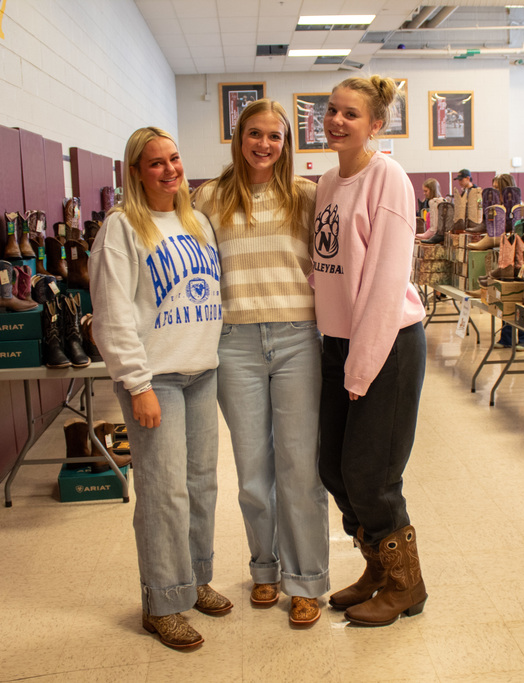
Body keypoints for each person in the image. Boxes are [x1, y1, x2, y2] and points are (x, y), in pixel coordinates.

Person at [90, 126, 230, 650]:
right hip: (157, 380)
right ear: (135, 171)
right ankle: (162, 602)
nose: (170, 170)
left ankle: (194, 581)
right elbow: (112, 315)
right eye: (156, 163)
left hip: (202, 372)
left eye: (174, 159)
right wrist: (136, 382)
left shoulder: (196, 223)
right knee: (162, 493)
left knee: (200, 486)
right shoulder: (122, 227)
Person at [192, 100, 329, 627]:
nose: (264, 144)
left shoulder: (308, 197)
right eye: (255, 134)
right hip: (235, 344)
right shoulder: (208, 198)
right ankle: (264, 568)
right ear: (238, 137)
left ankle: (307, 579)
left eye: (275, 136)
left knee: (299, 467)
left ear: (287, 143)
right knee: (253, 472)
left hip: (298, 338)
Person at [312, 74, 428, 627]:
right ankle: (377, 569)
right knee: (333, 468)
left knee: (371, 473)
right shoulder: (328, 182)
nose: (336, 121)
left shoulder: (389, 179)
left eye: (350, 114)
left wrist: (361, 366)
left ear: (376, 125)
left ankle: (407, 585)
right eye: (332, 110)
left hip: (387, 344)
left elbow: (384, 283)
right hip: (339, 343)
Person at [493, 173, 524, 350]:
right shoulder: (500, 210)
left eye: (497, 189)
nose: (494, 194)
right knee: (509, 297)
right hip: (508, 259)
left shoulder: (520, 212)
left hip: (520, 259)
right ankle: (507, 337)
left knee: (520, 297)